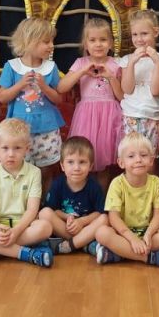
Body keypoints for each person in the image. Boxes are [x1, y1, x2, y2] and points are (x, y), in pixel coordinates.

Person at [0, 118, 54, 267]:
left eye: (17, 148)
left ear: (27, 148)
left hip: (24, 227)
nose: (11, 154)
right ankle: (27, 254)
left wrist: (16, 231)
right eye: (5, 148)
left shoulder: (34, 173)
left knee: (45, 227)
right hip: (0, 227)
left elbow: (32, 210)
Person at [94, 132, 159, 267]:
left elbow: (158, 216)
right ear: (121, 163)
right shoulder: (117, 184)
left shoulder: (158, 183)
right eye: (131, 156)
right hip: (123, 234)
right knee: (101, 233)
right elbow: (114, 218)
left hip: (147, 233)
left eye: (144, 155)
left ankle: (119, 253)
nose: (138, 160)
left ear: (151, 160)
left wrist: (149, 234)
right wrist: (132, 239)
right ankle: (150, 258)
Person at [0, 17, 64, 192]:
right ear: (29, 41)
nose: (51, 46)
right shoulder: (12, 67)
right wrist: (20, 85)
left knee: (46, 171)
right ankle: (23, 203)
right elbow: (2, 97)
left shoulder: (51, 67)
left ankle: (43, 203)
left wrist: (44, 87)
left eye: (52, 41)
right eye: (46, 42)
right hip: (19, 131)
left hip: (46, 129)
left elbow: (58, 99)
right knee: (20, 170)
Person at [57, 18, 123, 191]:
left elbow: (121, 96)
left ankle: (100, 199)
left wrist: (110, 77)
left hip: (109, 117)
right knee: (83, 158)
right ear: (85, 44)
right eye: (92, 40)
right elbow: (62, 87)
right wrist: (82, 72)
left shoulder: (116, 64)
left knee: (104, 164)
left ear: (111, 43)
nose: (98, 44)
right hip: (86, 117)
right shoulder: (80, 63)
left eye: (103, 40)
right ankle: (83, 197)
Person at [118, 9, 159, 159]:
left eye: (144, 34)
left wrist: (156, 62)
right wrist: (131, 63)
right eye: (135, 34)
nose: (139, 39)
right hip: (130, 115)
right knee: (131, 157)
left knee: (150, 158)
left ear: (155, 32)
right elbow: (127, 89)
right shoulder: (127, 60)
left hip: (153, 117)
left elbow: (156, 90)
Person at [39, 136, 107, 255]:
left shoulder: (94, 186)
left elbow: (99, 213)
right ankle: (84, 244)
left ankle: (70, 245)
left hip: (86, 228)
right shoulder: (58, 184)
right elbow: (53, 210)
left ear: (91, 166)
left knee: (105, 219)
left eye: (82, 162)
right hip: (65, 228)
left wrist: (81, 221)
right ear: (62, 166)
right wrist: (67, 217)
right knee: (44, 213)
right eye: (70, 162)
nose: (76, 168)